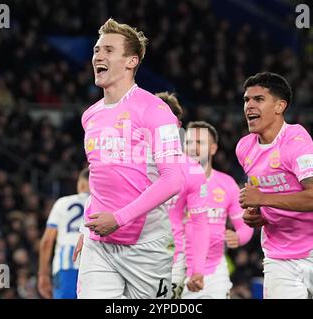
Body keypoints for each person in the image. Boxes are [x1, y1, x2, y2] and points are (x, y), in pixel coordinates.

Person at [74, 18, 184, 299]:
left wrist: (119, 218)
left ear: (131, 61)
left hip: (146, 245)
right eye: (97, 50)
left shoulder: (156, 110)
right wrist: (85, 229)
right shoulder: (90, 115)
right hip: (100, 245)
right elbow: (99, 179)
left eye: (109, 50)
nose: (98, 55)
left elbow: (173, 179)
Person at [236, 71, 313, 299]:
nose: (249, 105)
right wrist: (260, 215)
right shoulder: (244, 148)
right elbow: (266, 193)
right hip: (279, 257)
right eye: (246, 100)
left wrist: (262, 200)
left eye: (258, 99)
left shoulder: (296, 141)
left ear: (280, 106)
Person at [182, 121, 253, 299]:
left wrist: (238, 237)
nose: (193, 147)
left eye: (200, 142)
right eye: (189, 142)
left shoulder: (227, 184)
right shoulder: (169, 183)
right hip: (175, 268)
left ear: (213, 149)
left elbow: (245, 224)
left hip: (214, 272)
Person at [155, 92, 209, 299]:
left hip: (170, 258)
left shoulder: (192, 169)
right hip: (127, 253)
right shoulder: (130, 161)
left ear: (176, 125)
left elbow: (200, 223)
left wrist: (197, 270)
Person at [37, 168, 90, 299]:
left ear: (81, 184)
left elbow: (47, 241)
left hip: (66, 264)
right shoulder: (103, 204)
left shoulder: (62, 203)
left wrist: (43, 274)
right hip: (95, 265)